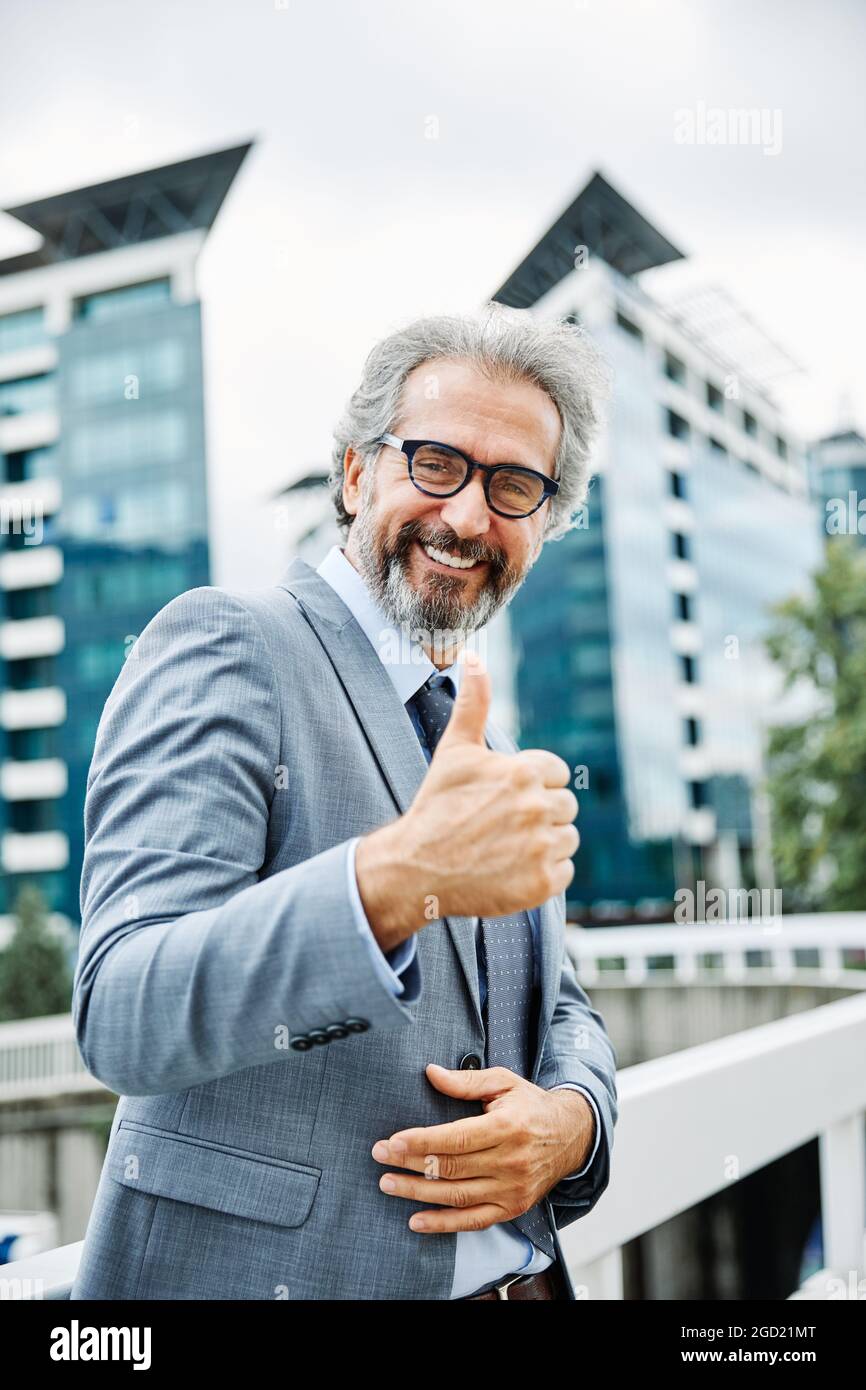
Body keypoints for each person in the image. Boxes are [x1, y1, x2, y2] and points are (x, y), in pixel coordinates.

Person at [70, 302, 618, 1300]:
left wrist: (572, 1120)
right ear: (357, 471)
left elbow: (562, 1005)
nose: (463, 516)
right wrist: (391, 884)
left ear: (543, 518)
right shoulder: (228, 642)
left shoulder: (479, 739)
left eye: (511, 485)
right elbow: (121, 1010)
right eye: (434, 463)